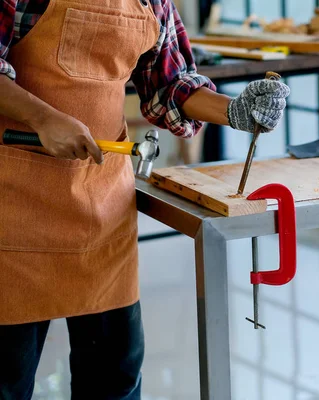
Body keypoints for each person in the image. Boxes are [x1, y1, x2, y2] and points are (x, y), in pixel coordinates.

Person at [0, 0, 290, 398]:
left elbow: (170, 85)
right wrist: (44, 118)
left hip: (102, 206)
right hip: (13, 203)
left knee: (114, 380)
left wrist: (236, 110)